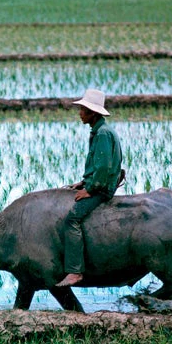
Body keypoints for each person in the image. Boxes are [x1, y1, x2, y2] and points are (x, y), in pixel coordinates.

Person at [56, 89, 124, 287]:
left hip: (103, 189)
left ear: (93, 113)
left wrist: (90, 189)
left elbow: (104, 168)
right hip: (98, 183)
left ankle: (75, 271)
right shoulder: (101, 131)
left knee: (72, 219)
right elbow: (99, 165)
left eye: (83, 110)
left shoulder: (102, 134)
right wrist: (83, 182)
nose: (80, 113)